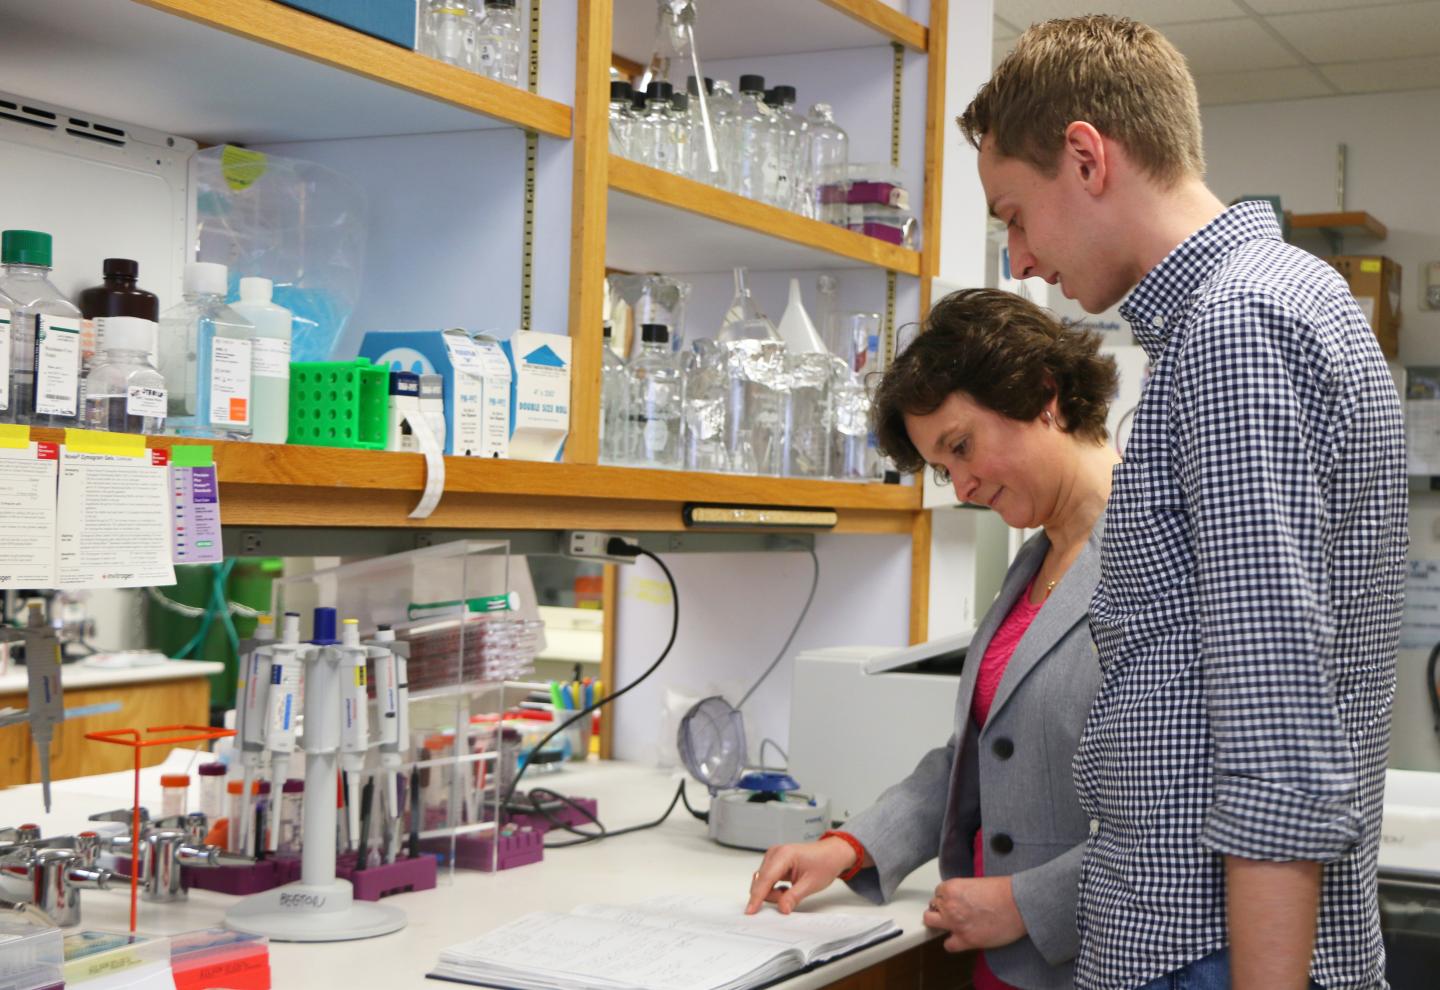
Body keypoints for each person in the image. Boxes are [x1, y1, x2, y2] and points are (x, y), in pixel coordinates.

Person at [959, 15, 1407, 990]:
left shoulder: (1237, 330)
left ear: (1085, 157)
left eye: (1015, 214)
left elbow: (1276, 723)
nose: (1019, 260)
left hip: (1202, 949)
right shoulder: (1271, 305)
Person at [746, 288, 1120, 990]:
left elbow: (1183, 815)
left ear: (1043, 395)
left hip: (1093, 965)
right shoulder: (1036, 559)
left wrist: (1026, 902)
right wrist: (852, 845)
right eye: (945, 469)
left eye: (961, 447)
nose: (963, 485)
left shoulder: (1152, 557)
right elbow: (977, 757)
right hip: (1002, 961)